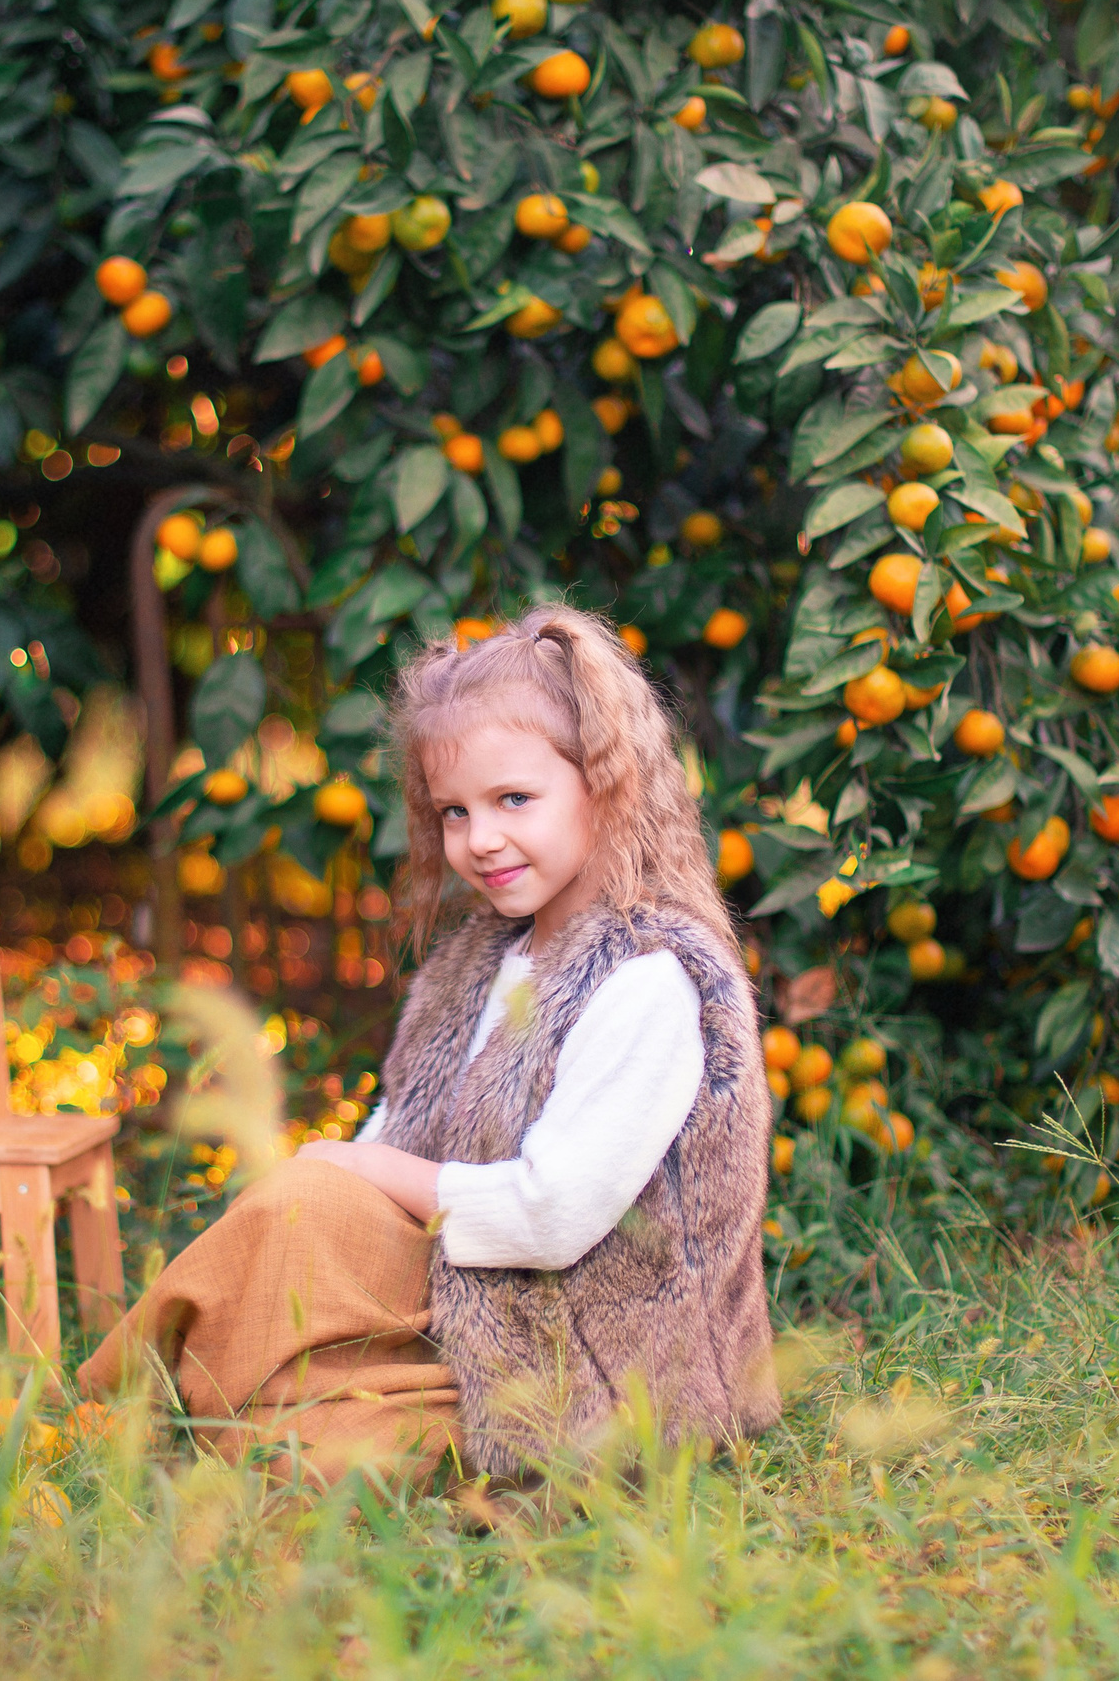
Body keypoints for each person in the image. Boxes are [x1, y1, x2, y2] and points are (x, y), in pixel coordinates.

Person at [78, 604, 778, 1486]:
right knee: (297, 1236)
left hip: (596, 1366)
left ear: (607, 783)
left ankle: (113, 1398)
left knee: (310, 1409)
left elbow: (550, 1216)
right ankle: (161, 1403)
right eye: (454, 811)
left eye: (513, 799)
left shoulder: (648, 980)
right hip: (477, 1308)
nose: (479, 839)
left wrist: (352, 1174)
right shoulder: (483, 961)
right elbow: (396, 1137)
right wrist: (343, 1178)